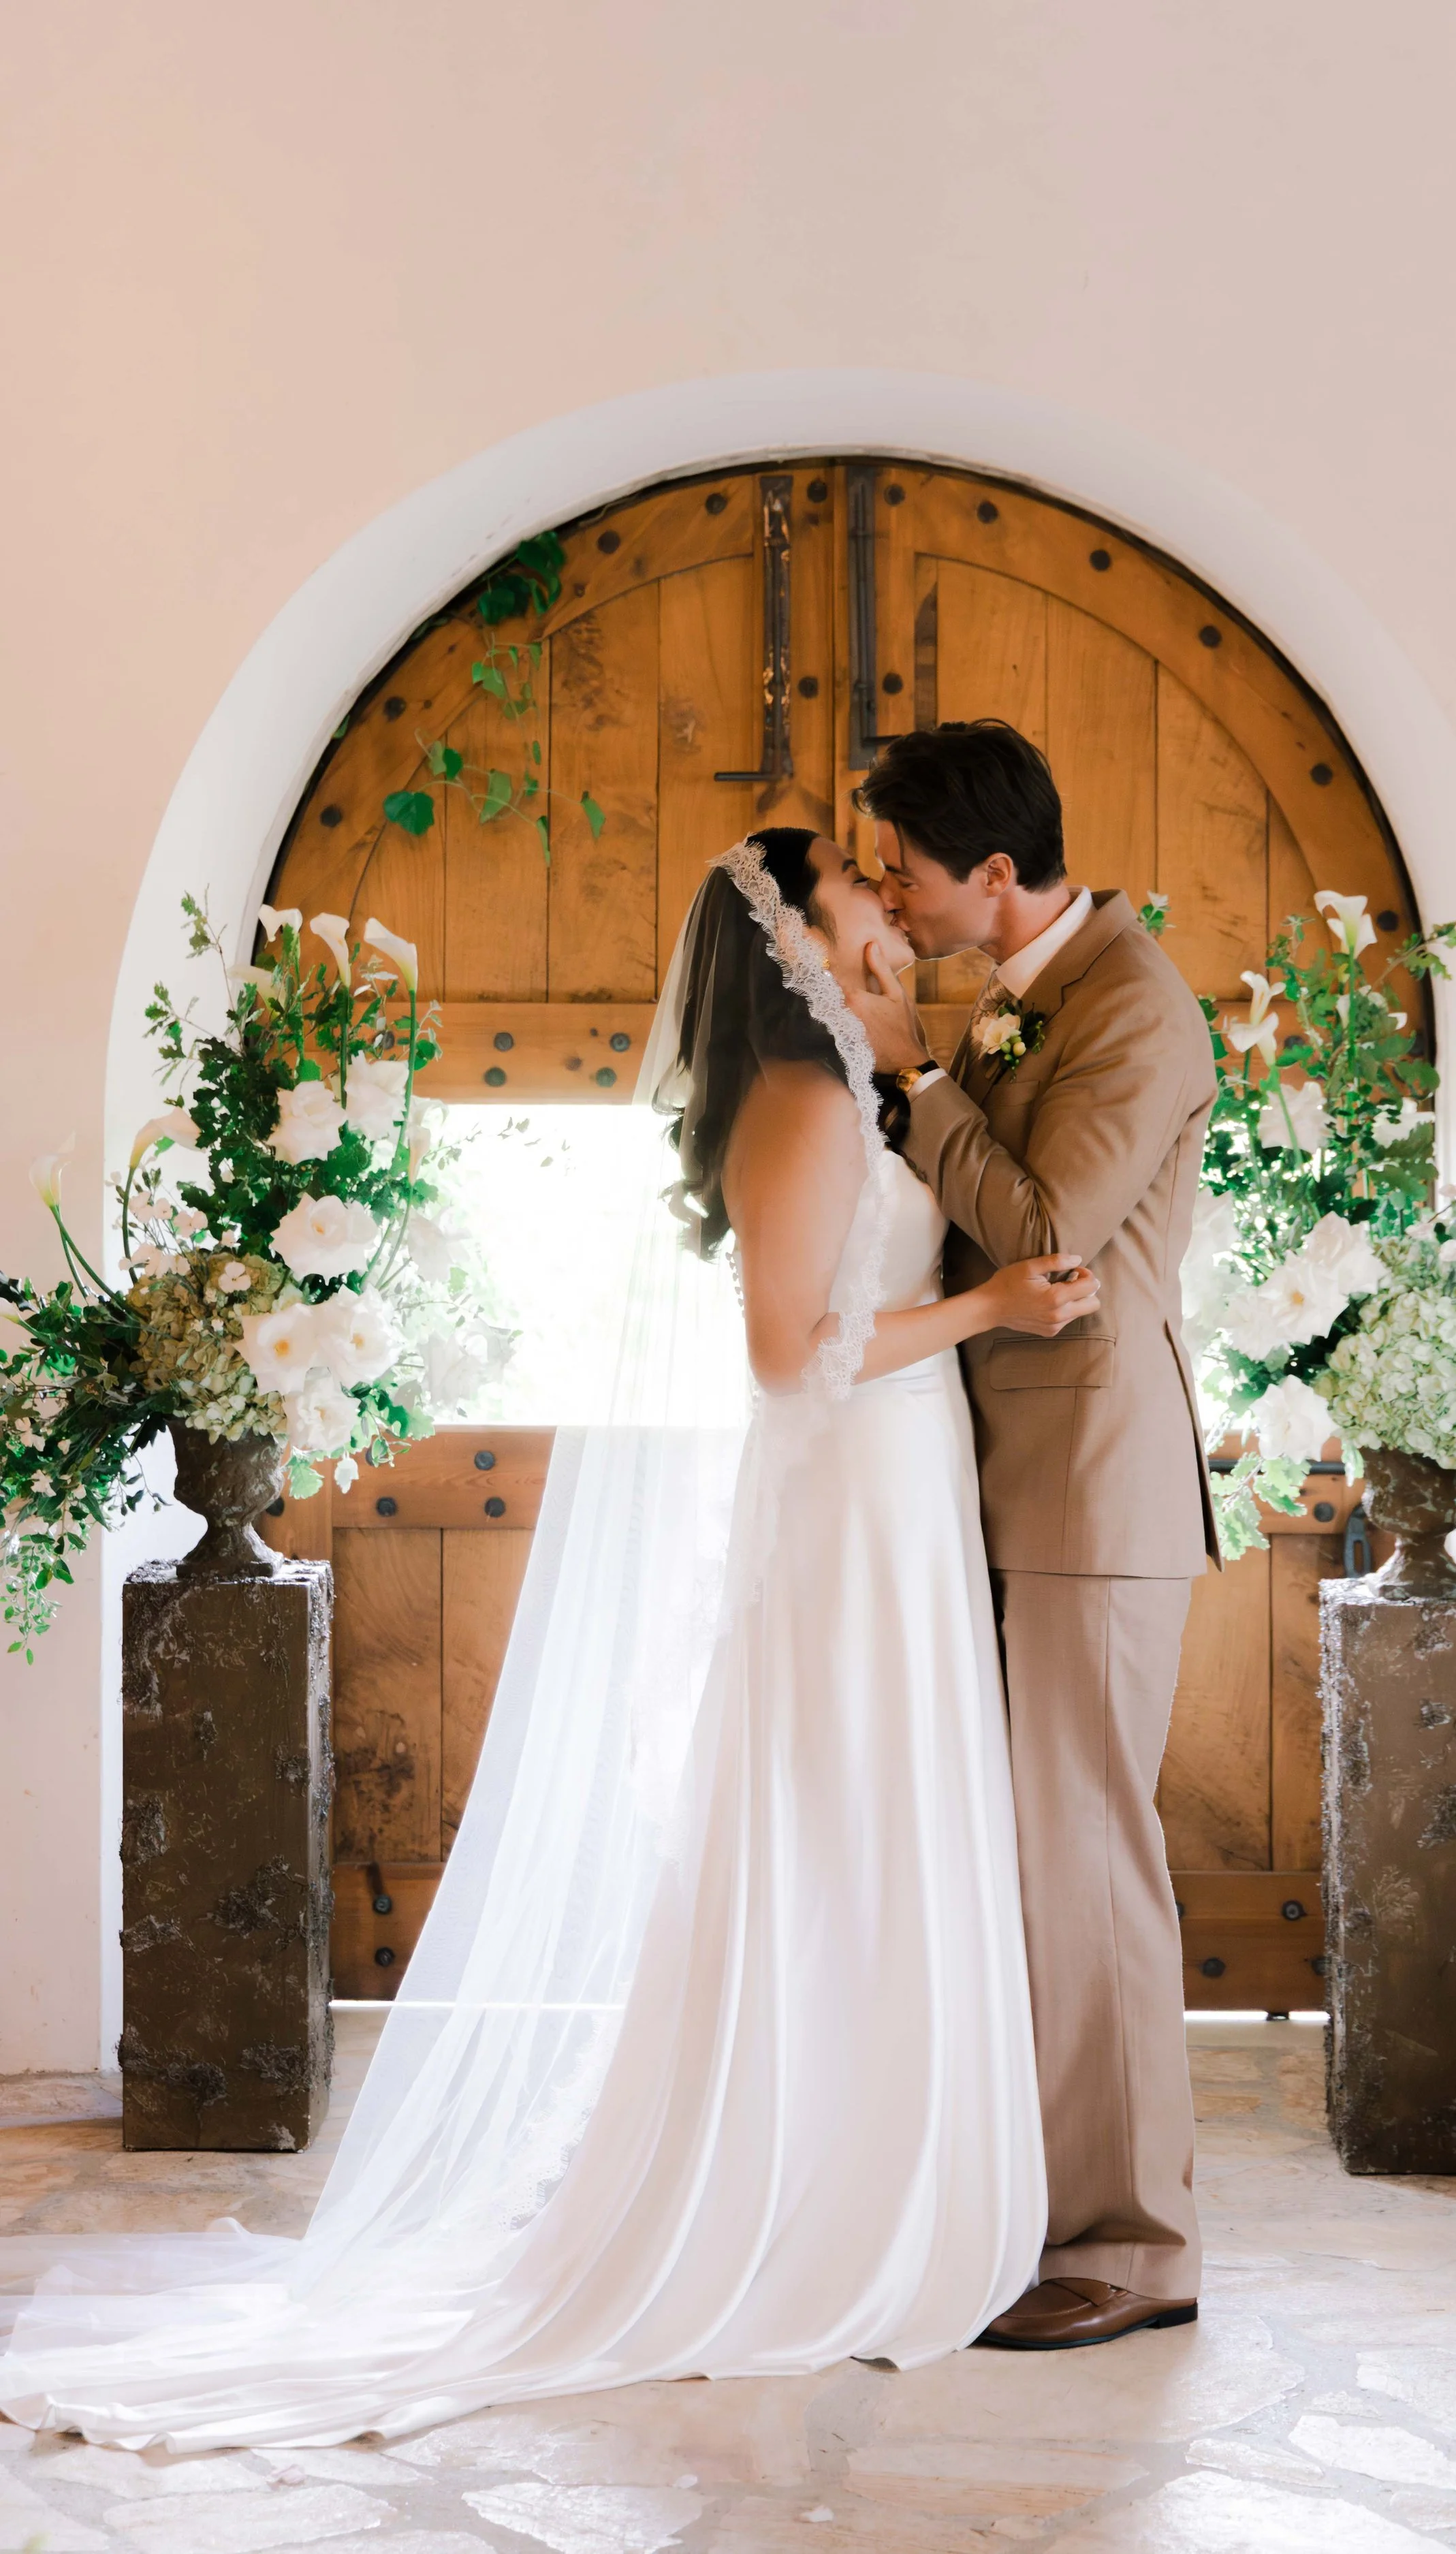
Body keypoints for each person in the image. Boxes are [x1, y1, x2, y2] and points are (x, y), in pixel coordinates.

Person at [0, 827, 1090, 2450]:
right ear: (800, 931)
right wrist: (988, 1311)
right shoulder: (795, 1106)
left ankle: (875, 2173)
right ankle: (797, 2201)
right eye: (851, 883)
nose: (880, 890)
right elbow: (792, 1354)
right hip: (851, 1491)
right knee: (830, 1822)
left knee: (882, 1825)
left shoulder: (869, 1074)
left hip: (904, 1488)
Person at [846, 721, 1218, 2350]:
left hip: (1090, 1485)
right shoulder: (1029, 991)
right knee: (1024, 1863)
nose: (890, 894)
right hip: (1001, 1476)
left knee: (1085, 1865)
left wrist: (915, 1086)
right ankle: (1032, 2201)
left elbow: (1056, 1234)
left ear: (995, 874)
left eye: (905, 870)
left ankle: (1134, 2247)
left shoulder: (1134, 1002)